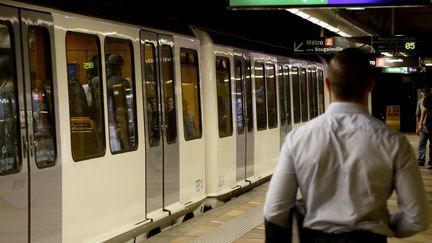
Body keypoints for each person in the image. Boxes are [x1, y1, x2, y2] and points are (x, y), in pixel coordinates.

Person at [263, 48, 431, 243]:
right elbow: (418, 217)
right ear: (371, 85)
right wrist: (383, 225)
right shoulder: (394, 142)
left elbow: (274, 211)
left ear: (327, 85)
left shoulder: (298, 139)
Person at [106, 54, 132, 151]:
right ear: (119, 67)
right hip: (116, 126)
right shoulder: (122, 82)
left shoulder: (96, 82)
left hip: (104, 127)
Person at [416, 87, 430, 166]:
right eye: (423, 92)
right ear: (421, 93)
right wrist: (417, 126)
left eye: (426, 92)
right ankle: (421, 159)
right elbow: (417, 115)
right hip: (422, 126)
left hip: (430, 125)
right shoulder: (420, 102)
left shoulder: (430, 101)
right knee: (422, 142)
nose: (424, 94)